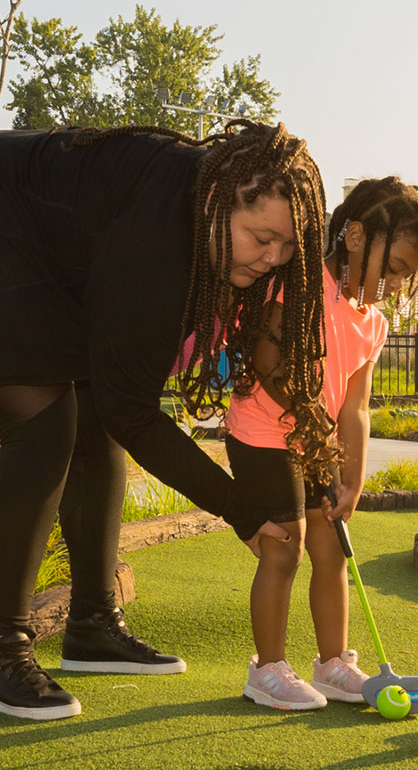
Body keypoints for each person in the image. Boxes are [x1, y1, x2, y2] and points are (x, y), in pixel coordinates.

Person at [0, 122, 331, 722]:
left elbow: (118, 402)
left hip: (49, 256)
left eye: (287, 246)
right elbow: (137, 412)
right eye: (262, 238)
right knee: (43, 427)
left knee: (95, 419)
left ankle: (94, 624)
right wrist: (243, 512)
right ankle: (3, 646)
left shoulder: (196, 218)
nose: (273, 258)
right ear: (218, 202)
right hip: (8, 228)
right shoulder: (158, 239)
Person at [224, 177, 418, 710]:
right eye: (390, 270)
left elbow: (355, 407)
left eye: (404, 279)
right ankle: (267, 669)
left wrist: (353, 477)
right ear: (354, 237)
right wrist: (317, 434)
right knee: (284, 544)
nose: (392, 287)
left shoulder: (373, 323)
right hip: (263, 432)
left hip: (317, 443)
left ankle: (333, 664)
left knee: (331, 547)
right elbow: (272, 370)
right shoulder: (299, 285)